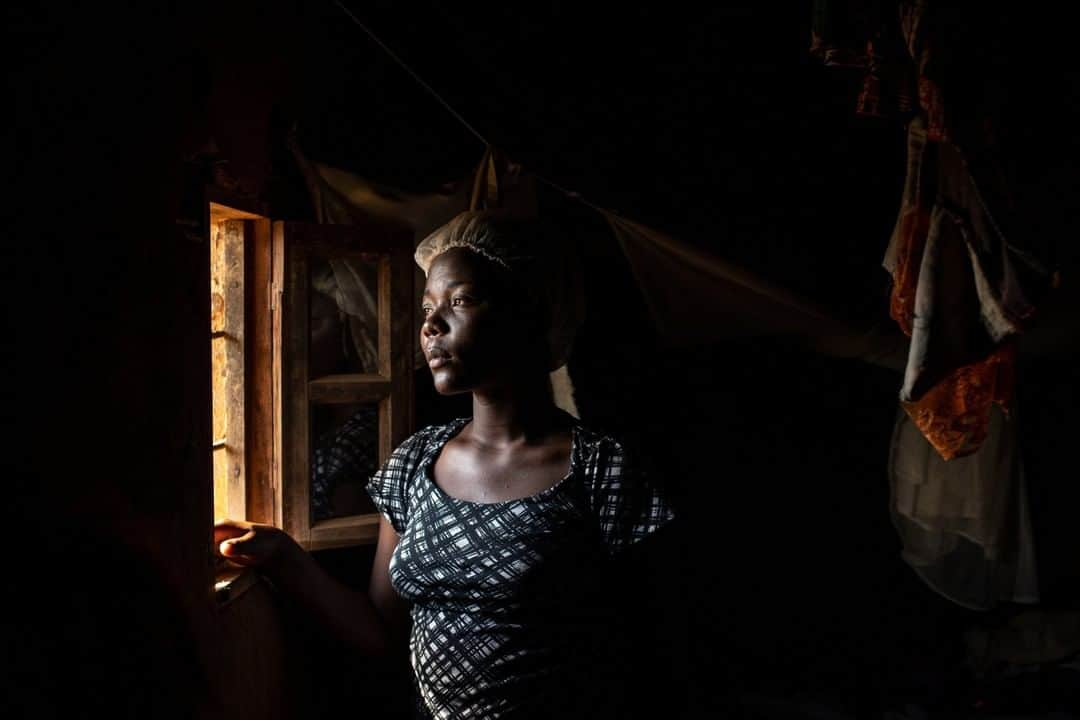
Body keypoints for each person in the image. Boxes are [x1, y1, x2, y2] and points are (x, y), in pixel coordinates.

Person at [215, 210, 675, 719]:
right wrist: (283, 556)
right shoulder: (414, 464)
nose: (431, 325)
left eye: (461, 301)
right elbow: (381, 632)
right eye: (428, 305)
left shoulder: (600, 470)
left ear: (532, 312)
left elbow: (653, 648)